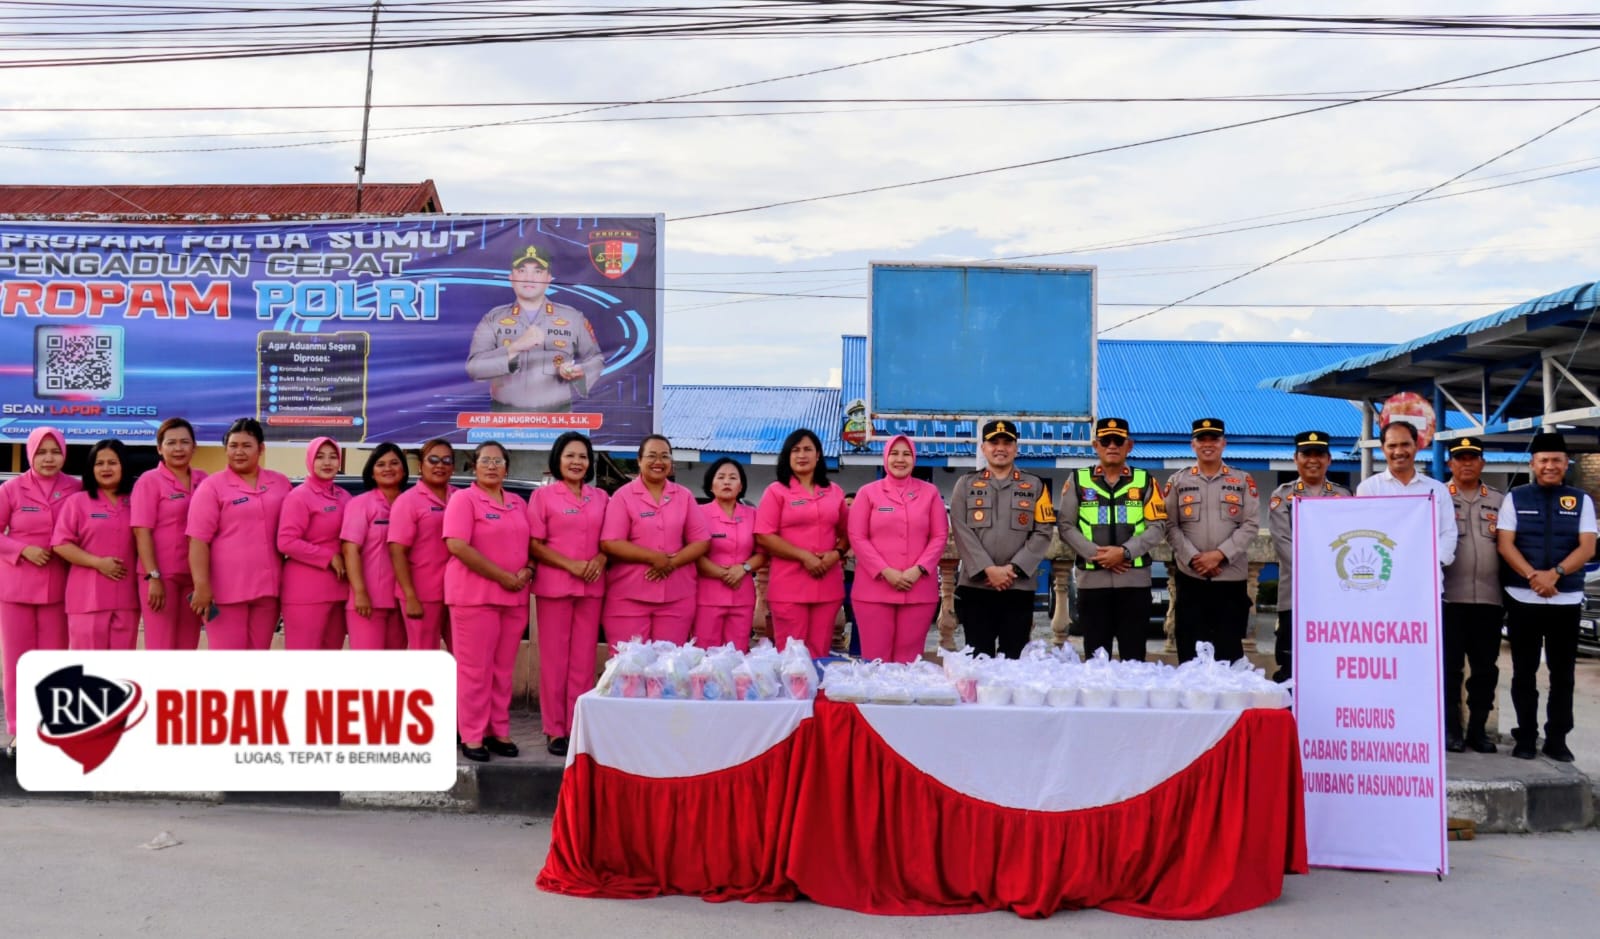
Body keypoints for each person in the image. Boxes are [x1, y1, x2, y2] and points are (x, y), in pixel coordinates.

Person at [1495, 432, 1596, 762]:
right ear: (1532, 464)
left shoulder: (1580, 500)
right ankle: (1526, 736)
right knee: (1523, 673)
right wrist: (1532, 576)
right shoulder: (1515, 498)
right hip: (1522, 597)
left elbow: (1587, 547)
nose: (1550, 466)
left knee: (1562, 675)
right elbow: (1505, 544)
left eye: (1556, 460)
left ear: (1566, 464)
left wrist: (1556, 574)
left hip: (1565, 599)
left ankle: (1557, 738)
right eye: (1543, 460)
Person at [444, 441, 532, 762]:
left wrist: (528, 569)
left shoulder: (518, 503)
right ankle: (472, 734)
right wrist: (502, 576)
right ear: (474, 466)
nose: (492, 466)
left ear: (507, 468)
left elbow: (531, 544)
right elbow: (457, 545)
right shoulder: (464, 500)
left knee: (502, 669)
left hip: (513, 597)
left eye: (498, 461)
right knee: (474, 670)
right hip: (474, 597)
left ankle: (499, 730)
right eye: (485, 461)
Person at [1056, 418, 1168, 662]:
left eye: (1118, 440)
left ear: (1129, 445)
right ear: (1095, 445)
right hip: (1092, 581)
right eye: (1106, 441)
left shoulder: (1145, 480)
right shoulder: (1078, 480)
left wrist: (1124, 552)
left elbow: (1158, 526)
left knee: (1134, 656)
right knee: (1096, 657)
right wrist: (1099, 555)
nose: (1112, 446)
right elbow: (1065, 525)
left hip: (1134, 580)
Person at [527, 431, 609, 757]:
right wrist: (570, 565)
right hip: (555, 587)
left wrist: (600, 559)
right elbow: (534, 545)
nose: (577, 462)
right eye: (570, 455)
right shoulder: (543, 497)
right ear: (557, 460)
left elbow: (612, 539)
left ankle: (579, 727)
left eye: (583, 456)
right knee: (555, 661)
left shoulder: (601, 498)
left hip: (592, 588)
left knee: (584, 661)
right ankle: (554, 729)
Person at [948, 419, 1054, 660]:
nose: (1000, 448)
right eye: (994, 442)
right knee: (978, 659)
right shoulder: (965, 484)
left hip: (1017, 586)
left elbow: (1043, 531)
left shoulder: (1035, 485)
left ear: (1016, 448)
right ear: (983, 448)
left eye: (1007, 442)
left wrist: (1012, 569)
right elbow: (960, 529)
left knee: (1014, 659)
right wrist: (988, 569)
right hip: (977, 585)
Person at [1, 427, 80, 739]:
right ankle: (19, 728)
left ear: (64, 454)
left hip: (60, 587)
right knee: (18, 660)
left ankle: (52, 724)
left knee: (54, 660)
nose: (49, 458)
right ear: (30, 454)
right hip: (16, 588)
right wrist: (22, 549)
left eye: (55, 451)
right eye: (42, 452)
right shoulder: (12, 489)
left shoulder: (76, 488)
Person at [188, 417, 293, 651]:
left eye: (246, 446)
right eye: (233, 446)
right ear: (225, 449)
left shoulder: (280, 483)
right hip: (225, 591)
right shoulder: (212, 486)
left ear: (261, 448)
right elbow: (198, 540)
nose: (239, 452)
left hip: (268, 590)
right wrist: (201, 585)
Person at [1164, 418, 1261, 663]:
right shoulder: (1178, 481)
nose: (1208, 444)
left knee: (1229, 652)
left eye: (1214, 439)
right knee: (1190, 653)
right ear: (1193, 444)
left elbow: (1250, 524)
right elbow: (1169, 525)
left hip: (1230, 578)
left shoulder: (1242, 480)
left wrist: (1220, 555)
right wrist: (1194, 558)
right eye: (1202, 439)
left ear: (1223, 443)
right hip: (1191, 577)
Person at [466, 245, 604, 414]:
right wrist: (514, 348)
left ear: (549, 278)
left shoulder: (573, 318)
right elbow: (474, 368)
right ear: (511, 277)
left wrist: (579, 372)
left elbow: (596, 359)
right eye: (522, 270)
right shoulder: (493, 319)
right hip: (505, 417)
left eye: (537, 271)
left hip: (557, 416)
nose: (529, 278)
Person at [600, 435, 710, 644]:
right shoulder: (623, 496)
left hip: (677, 596)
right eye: (651, 455)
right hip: (628, 596)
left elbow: (701, 541)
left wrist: (670, 563)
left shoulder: (684, 496)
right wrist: (653, 558)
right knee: (629, 662)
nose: (658, 461)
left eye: (665, 456)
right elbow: (610, 542)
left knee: (669, 662)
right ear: (639, 460)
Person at [847, 435, 947, 663]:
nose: (900, 459)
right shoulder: (867, 493)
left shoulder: (930, 493)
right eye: (894, 453)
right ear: (885, 457)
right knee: (876, 662)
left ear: (914, 458)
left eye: (906, 454)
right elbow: (857, 537)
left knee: (909, 663)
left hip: (918, 588)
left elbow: (939, 536)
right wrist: (885, 571)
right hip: (873, 589)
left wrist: (918, 569)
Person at [755, 428, 850, 658]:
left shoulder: (834, 491)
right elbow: (764, 535)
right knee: (792, 658)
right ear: (787, 456)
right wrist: (804, 556)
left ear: (818, 455)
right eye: (795, 450)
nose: (801, 455)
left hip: (827, 584)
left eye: (808, 449)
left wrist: (836, 554)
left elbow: (848, 532)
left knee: (819, 653)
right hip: (789, 586)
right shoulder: (776, 491)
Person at [1266, 430, 1350, 682]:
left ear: (1329, 459)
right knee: (1290, 663)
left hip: (1335, 594)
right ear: (1296, 459)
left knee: (1332, 660)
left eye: (1319, 454)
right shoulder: (1282, 496)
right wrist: (1319, 572)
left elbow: (1349, 539)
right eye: (1306, 454)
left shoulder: (1343, 496)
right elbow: (1283, 543)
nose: (1313, 460)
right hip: (1295, 594)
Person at [1441, 437, 1504, 753]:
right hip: (1450, 600)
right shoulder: (1438, 498)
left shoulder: (1499, 500)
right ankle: (1451, 730)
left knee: (1485, 670)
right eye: (1460, 458)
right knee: (1449, 671)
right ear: (1450, 463)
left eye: (1472, 457)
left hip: (1490, 601)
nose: (1466, 463)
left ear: (1482, 462)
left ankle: (1478, 730)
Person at [52, 439, 139, 650]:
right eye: (99, 463)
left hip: (127, 599)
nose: (105, 468)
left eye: (112, 462)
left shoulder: (137, 500)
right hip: (87, 599)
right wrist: (98, 563)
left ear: (124, 465)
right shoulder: (77, 502)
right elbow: (61, 544)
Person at [131, 417, 207, 651]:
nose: (178, 448)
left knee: (187, 645)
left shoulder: (204, 480)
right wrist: (153, 577)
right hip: (161, 576)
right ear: (159, 448)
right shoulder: (149, 481)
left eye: (185, 442)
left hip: (194, 576)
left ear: (194, 447)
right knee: (161, 646)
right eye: (171, 443)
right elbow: (141, 531)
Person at [278, 437, 352, 650]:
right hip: (306, 591)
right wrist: (328, 556)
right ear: (310, 460)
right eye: (320, 457)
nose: (327, 462)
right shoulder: (299, 497)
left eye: (333, 457)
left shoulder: (344, 497)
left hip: (339, 589)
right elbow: (286, 541)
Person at [1354, 420, 1457, 567]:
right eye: (1392, 446)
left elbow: (1448, 532)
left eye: (1405, 444)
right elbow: (1364, 534)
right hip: (1384, 572)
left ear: (1416, 446)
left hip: (1427, 574)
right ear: (1383, 449)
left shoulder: (1437, 489)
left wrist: (1434, 563)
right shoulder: (1368, 489)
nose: (1399, 452)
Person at [389, 438, 458, 651]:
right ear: (420, 465)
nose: (440, 465)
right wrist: (410, 596)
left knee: (464, 654)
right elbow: (397, 551)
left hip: (458, 592)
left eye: (446, 460)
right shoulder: (408, 501)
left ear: (453, 467)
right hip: (422, 593)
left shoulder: (461, 498)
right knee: (425, 653)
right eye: (433, 460)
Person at [693, 457, 766, 653]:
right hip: (707, 596)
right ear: (711, 484)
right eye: (721, 477)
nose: (727, 482)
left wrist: (744, 568)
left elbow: (763, 553)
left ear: (741, 486)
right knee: (705, 655)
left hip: (742, 596)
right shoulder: (698, 513)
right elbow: (692, 553)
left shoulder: (753, 514)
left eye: (733, 478)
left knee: (737, 654)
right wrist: (722, 573)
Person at [341, 443, 408, 651]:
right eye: (381, 464)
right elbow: (350, 550)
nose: (388, 468)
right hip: (368, 601)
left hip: (403, 601)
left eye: (394, 463)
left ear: (404, 469)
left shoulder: (410, 503)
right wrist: (360, 593)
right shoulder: (361, 504)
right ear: (371, 471)